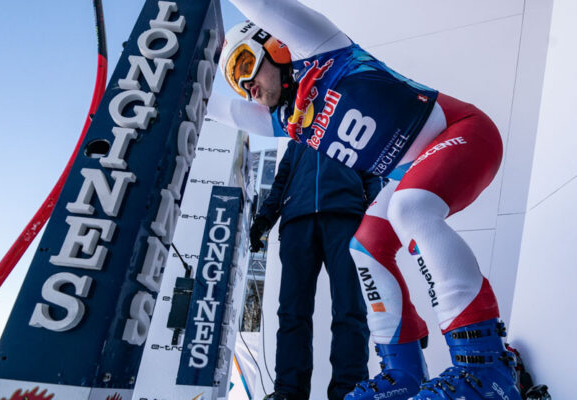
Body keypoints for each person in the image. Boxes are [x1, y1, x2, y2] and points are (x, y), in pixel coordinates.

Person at [207, 1, 522, 399]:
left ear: (276, 46)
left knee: (410, 208)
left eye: (243, 65)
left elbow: (264, 6)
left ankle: (487, 364)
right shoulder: (287, 121)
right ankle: (403, 372)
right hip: (415, 170)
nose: (245, 85)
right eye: (236, 81)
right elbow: (220, 108)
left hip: (463, 133)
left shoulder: (321, 48)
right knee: (367, 244)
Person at [247, 139, 383, 400]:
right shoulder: (297, 138)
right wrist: (264, 218)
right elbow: (281, 180)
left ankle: (350, 388)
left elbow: (371, 171)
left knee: (350, 307)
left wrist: (376, 215)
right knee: (292, 310)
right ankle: (289, 390)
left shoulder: (347, 127)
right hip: (297, 220)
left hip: (346, 216)